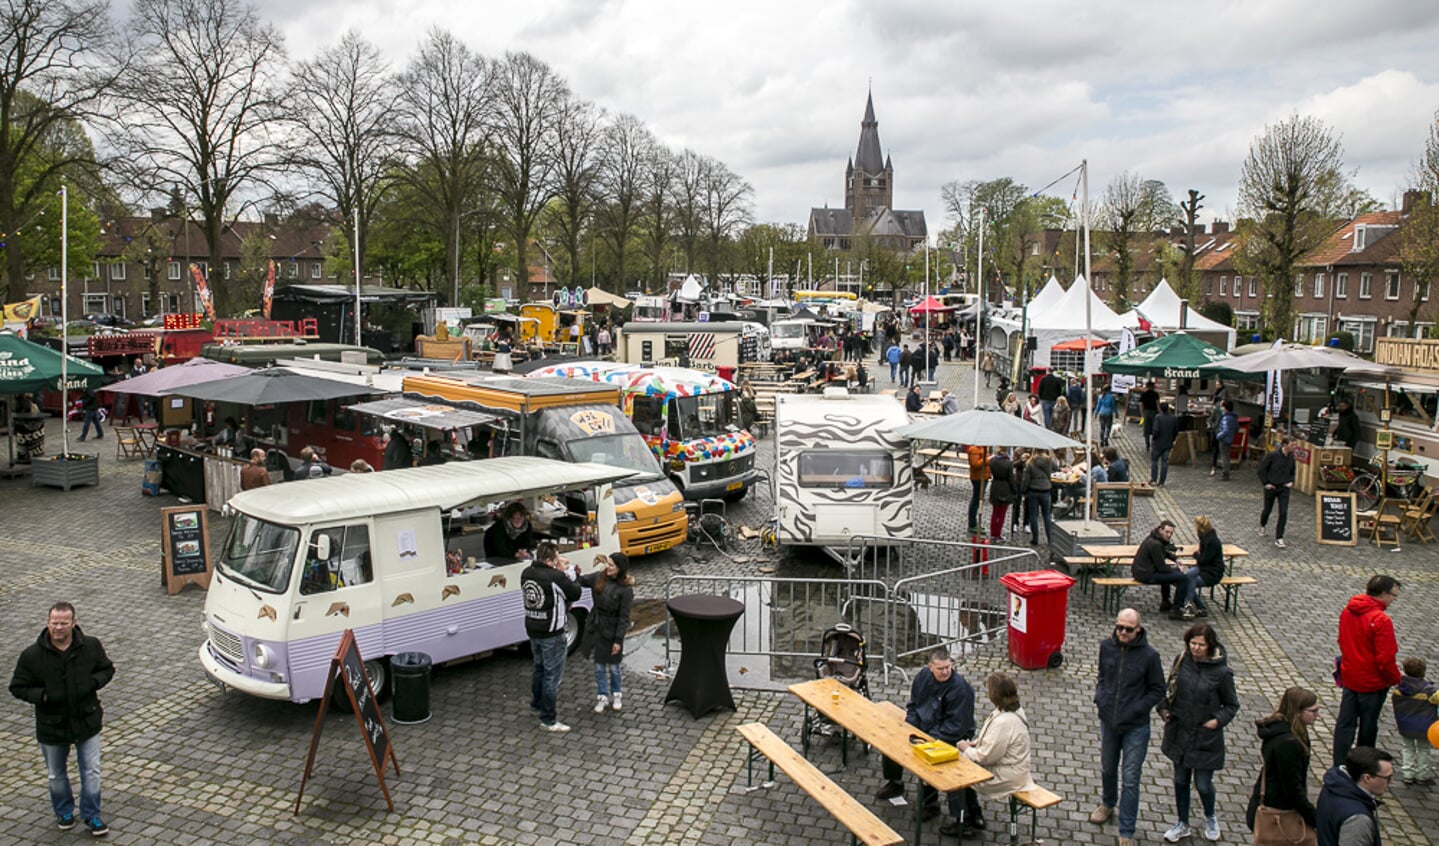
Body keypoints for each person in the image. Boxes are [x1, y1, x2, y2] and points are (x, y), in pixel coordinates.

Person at [9, 601, 115, 837]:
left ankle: (92, 815)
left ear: (73, 623)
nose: (58, 627)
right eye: (54, 623)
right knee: (56, 774)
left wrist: (92, 683)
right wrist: (43, 696)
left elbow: (107, 669)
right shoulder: (32, 655)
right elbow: (17, 687)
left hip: (86, 720)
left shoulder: (91, 646)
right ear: (48, 623)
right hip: (51, 725)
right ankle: (64, 811)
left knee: (92, 771)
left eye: (63, 623)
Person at [874, 648, 976, 829]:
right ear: (930, 667)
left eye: (948, 667)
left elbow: (956, 726)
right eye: (940, 668)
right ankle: (894, 781)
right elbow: (913, 705)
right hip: (923, 727)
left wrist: (929, 739)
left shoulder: (961, 690)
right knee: (892, 740)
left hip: (949, 735)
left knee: (930, 760)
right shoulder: (922, 677)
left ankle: (931, 803)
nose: (945, 672)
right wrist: (910, 726)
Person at [1158, 623, 1240, 843]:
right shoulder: (1181, 660)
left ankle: (1210, 816)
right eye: (1192, 643)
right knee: (1180, 781)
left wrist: (1216, 721)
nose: (1195, 648)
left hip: (1205, 737)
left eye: (1200, 645)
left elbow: (1232, 705)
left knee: (1203, 784)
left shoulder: (1222, 673)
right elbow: (1169, 688)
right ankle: (1182, 822)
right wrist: (1164, 709)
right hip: (1180, 732)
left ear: (1209, 645)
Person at [1091, 608, 1166, 846]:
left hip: (1135, 726)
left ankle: (1127, 829)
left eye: (1128, 629)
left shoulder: (1150, 656)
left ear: (1138, 630)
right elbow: (1102, 676)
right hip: (1109, 720)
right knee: (1107, 769)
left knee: (1131, 778)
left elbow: (1158, 689)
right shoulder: (1106, 646)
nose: (1123, 632)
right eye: (1119, 627)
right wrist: (1100, 697)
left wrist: (1137, 708)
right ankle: (1107, 803)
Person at [952, 672, 1035, 838]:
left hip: (1006, 776)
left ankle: (962, 821)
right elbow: (996, 742)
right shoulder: (1015, 710)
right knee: (964, 765)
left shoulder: (1004, 721)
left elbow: (986, 757)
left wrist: (965, 748)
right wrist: (975, 744)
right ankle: (975, 815)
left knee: (956, 773)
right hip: (1015, 769)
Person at [1333, 575, 1402, 768]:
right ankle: (1362, 766)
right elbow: (1385, 658)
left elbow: (1342, 640)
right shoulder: (1381, 620)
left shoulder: (1348, 611)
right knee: (1368, 726)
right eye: (1393, 595)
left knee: (1345, 724)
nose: (1394, 600)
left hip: (1350, 676)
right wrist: (1395, 679)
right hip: (1372, 683)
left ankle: (1339, 764)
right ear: (1383, 594)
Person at [1248, 687, 1320, 846]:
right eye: (1313, 711)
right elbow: (1292, 787)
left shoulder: (1280, 730)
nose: (1317, 715)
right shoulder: (1289, 744)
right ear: (1298, 712)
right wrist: (1313, 817)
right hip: (1279, 808)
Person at [523, 542, 581, 732]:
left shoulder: (526, 573)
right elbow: (575, 592)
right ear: (548, 560)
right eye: (555, 559)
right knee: (552, 677)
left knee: (539, 669)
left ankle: (536, 704)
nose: (557, 562)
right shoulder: (555, 577)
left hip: (533, 629)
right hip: (552, 632)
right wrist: (573, 576)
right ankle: (549, 719)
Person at [577, 553, 635, 714]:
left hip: (613, 629)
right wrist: (573, 571)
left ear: (619, 569)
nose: (607, 567)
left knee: (614, 667)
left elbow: (624, 617)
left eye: (611, 565)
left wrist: (618, 640)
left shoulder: (625, 590)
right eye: (607, 563)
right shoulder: (598, 577)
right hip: (597, 626)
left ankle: (617, 695)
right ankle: (602, 696)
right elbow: (581, 581)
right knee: (599, 666)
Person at [1315, 747, 1394, 846]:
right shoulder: (1358, 819)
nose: (1391, 782)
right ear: (1367, 778)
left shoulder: (1334, 786)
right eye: (1388, 778)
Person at [1132, 520, 1194, 618]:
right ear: (1161, 530)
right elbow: (1162, 568)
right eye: (1167, 532)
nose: (1169, 535)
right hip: (1145, 575)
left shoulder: (1154, 537)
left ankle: (1165, 602)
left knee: (1172, 574)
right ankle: (1176, 609)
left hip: (1142, 571)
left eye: (1171, 533)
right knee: (1183, 578)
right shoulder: (1155, 544)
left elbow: (1164, 552)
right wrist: (1178, 571)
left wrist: (1175, 559)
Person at [1393, 656, 1439, 785]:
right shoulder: (1429, 691)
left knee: (1407, 747)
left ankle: (1407, 774)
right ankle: (1422, 775)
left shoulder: (1399, 689)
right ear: (1423, 672)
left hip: (1405, 726)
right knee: (1423, 749)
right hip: (1425, 727)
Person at [1257, 438, 1297, 549]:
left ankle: (1279, 537)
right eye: (1292, 444)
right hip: (1271, 487)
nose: (1294, 447)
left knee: (1283, 512)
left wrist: (1291, 482)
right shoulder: (1272, 455)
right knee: (1267, 510)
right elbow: (1261, 469)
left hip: (1284, 488)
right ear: (1285, 445)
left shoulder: (1291, 458)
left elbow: (1293, 471)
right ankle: (1263, 524)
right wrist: (1266, 483)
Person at [1186, 516, 1226, 617]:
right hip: (1204, 568)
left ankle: (1190, 605)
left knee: (1189, 581)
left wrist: (1195, 554)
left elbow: (1204, 559)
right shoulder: (1205, 538)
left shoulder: (1211, 542)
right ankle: (1199, 607)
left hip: (1212, 573)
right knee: (1187, 576)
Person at [1021, 448, 1055, 545]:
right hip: (1045, 490)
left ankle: (1035, 539)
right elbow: (1052, 472)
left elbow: (1026, 479)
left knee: (1033, 516)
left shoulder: (1030, 462)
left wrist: (1023, 490)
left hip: (1033, 491)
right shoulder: (1049, 461)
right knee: (1047, 515)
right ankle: (1050, 539)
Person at [988, 447, 1016, 540]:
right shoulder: (1009, 463)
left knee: (995, 512)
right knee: (1002, 513)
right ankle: (998, 534)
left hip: (995, 486)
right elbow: (1011, 479)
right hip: (1005, 488)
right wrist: (1014, 490)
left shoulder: (993, 461)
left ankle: (993, 533)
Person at [1151, 402, 1180, 486]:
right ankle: (1162, 482)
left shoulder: (1158, 418)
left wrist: (1154, 438)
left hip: (1158, 443)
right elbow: (1176, 431)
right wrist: (1172, 439)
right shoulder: (1174, 418)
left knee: (1154, 461)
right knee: (1164, 462)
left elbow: (1155, 430)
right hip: (1168, 443)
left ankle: (1154, 479)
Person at [966, 443, 988, 531]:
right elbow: (975, 464)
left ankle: (974, 522)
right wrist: (987, 460)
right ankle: (972, 523)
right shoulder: (974, 449)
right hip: (978, 478)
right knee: (976, 500)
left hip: (984, 476)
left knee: (979, 500)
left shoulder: (984, 447)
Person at [1215, 401, 1239, 481]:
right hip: (1230, 438)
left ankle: (1225, 473)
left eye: (1222, 407)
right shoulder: (1233, 417)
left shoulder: (1226, 418)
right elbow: (1236, 429)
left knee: (1224, 456)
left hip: (1224, 439)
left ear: (1225, 408)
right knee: (1227, 455)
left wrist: (1218, 436)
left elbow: (1225, 430)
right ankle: (1226, 472)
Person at [1140, 380, 1161, 452]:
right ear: (1152, 387)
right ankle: (1153, 443)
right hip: (1154, 412)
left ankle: (1147, 445)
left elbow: (1141, 405)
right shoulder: (1156, 394)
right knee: (1154, 428)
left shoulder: (1144, 394)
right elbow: (1157, 404)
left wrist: (1142, 414)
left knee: (1146, 429)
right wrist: (1160, 412)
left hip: (1146, 412)